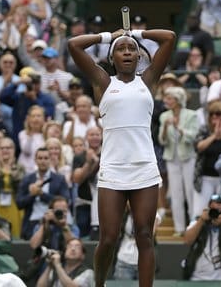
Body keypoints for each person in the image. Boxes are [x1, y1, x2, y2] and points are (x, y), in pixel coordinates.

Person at [68, 24, 175, 287]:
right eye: (121, 49)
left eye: (132, 50)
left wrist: (137, 34)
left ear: (139, 57)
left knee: (144, 236)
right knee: (108, 238)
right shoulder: (102, 81)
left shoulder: (148, 80)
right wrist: (109, 36)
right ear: (112, 58)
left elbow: (169, 38)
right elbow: (73, 45)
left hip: (145, 169)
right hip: (113, 169)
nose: (127, 52)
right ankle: (100, 285)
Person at [158, 86, 199, 236]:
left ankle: (193, 226)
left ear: (178, 100)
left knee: (190, 191)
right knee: (176, 194)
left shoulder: (191, 115)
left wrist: (178, 128)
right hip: (171, 158)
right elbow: (162, 141)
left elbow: (193, 136)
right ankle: (179, 228)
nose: (166, 101)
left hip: (188, 157)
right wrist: (165, 129)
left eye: (169, 98)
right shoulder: (164, 116)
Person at [182, 194, 221, 281]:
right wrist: (201, 220)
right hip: (197, 277)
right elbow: (187, 240)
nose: (217, 213)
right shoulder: (197, 220)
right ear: (209, 207)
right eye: (215, 209)